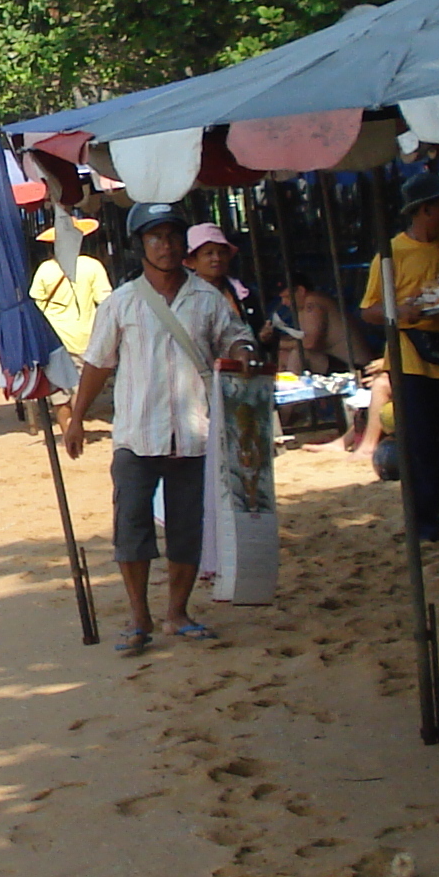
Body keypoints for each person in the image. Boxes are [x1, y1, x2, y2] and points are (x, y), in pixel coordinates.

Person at [57, 203, 253, 656]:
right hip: (136, 434)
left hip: (194, 435)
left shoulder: (206, 299)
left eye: (172, 237)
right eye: (155, 238)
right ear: (140, 245)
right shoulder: (121, 302)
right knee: (132, 528)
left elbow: (235, 337)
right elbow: (97, 363)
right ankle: (138, 616)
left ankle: (177, 613)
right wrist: (77, 416)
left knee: (187, 528)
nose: (165, 246)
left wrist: (243, 350)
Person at [362, 178, 439, 540]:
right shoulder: (391, 254)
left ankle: (426, 509)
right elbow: (369, 310)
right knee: (423, 444)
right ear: (425, 208)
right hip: (411, 359)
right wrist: (401, 311)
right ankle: (424, 520)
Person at [29, 221, 111, 369]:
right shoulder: (92, 266)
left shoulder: (45, 269)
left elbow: (36, 304)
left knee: (63, 387)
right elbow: (106, 303)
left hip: (56, 341)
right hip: (89, 339)